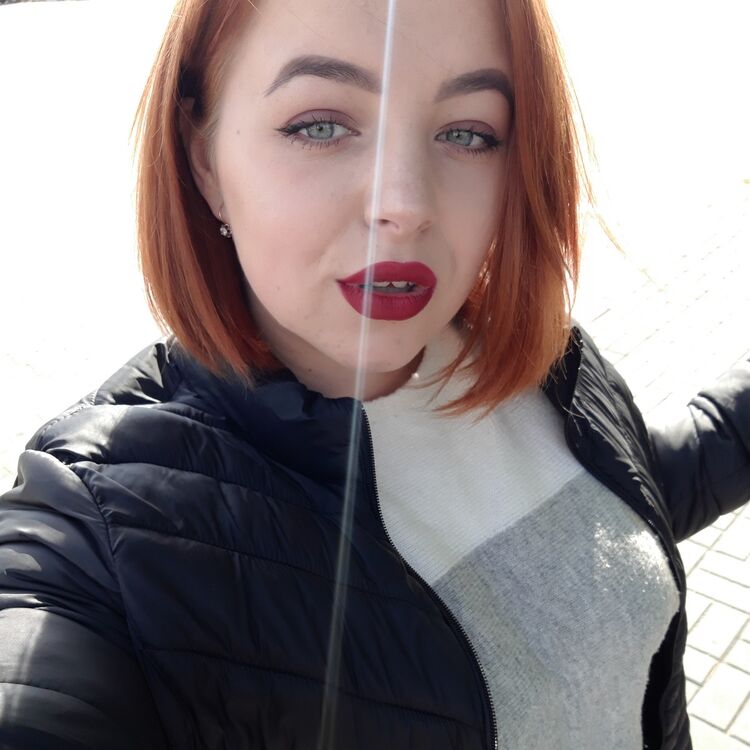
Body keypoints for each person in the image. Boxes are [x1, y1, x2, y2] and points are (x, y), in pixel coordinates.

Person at [0, 0, 748, 748]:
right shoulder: (101, 529)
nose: (406, 206)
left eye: (468, 133)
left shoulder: (537, 358)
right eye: (320, 125)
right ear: (204, 159)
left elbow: (619, 506)